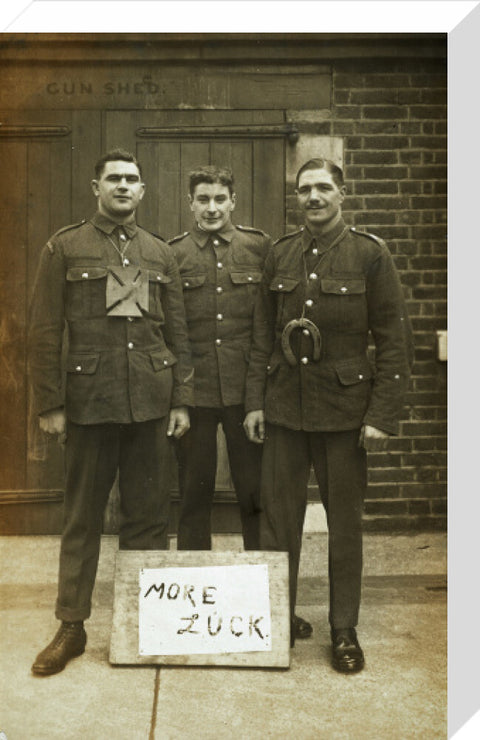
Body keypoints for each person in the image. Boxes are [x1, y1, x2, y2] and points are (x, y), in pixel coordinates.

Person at [28, 149, 193, 675]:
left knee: (147, 518)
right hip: (89, 405)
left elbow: (178, 333)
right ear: (96, 186)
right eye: (114, 179)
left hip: (148, 403)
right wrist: (51, 403)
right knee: (81, 518)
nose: (124, 187)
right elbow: (43, 331)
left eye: (133, 180)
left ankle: (145, 623)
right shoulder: (65, 247)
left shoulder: (159, 253)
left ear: (143, 191)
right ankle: (72, 625)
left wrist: (181, 399)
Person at [244, 158, 414, 669]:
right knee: (278, 524)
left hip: (345, 415)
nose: (313, 197)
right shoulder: (280, 254)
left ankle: (344, 631)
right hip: (283, 412)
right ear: (297, 198)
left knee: (344, 526)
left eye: (323, 188)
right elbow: (260, 337)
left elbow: (393, 340)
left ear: (342, 194)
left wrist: (382, 414)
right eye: (304, 190)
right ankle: (277, 622)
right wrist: (255, 401)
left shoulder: (369, 254)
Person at [169, 165, 313, 643]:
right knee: (193, 498)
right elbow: (176, 335)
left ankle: (266, 606)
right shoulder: (174, 254)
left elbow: (264, 332)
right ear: (190, 204)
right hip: (194, 398)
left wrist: (256, 403)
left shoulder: (259, 248)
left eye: (220, 198)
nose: (211, 208)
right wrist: (182, 402)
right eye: (203, 199)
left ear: (234, 202)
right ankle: (190, 613)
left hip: (246, 399)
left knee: (257, 499)